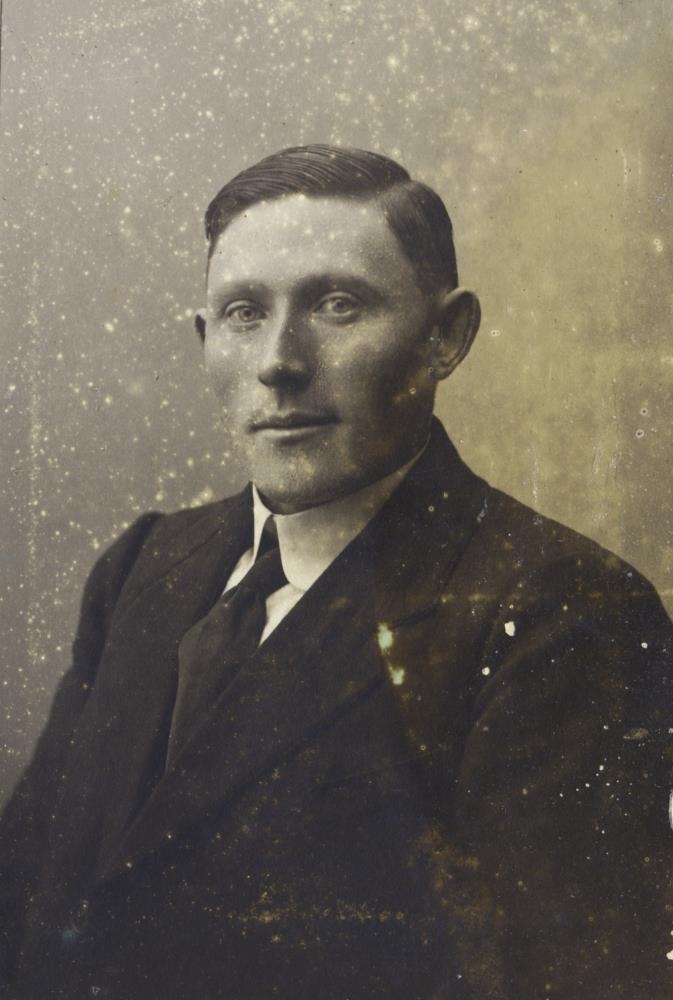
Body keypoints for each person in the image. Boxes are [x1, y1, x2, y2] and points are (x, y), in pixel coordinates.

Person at [1, 144, 672, 1000]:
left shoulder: (561, 611)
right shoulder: (144, 568)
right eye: (244, 313)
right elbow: (25, 891)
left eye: (337, 305)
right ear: (206, 340)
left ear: (445, 337)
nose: (278, 360)